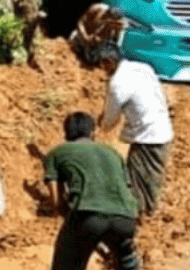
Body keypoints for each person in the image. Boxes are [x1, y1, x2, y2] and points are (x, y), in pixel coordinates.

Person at [43, 112, 141, 270]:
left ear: (66, 133)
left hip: (88, 215)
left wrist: (76, 224)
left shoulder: (57, 153)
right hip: (126, 218)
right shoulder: (113, 153)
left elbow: (57, 202)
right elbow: (127, 190)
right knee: (127, 261)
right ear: (92, 132)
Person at [97, 42, 173, 216]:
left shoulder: (117, 84)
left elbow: (110, 121)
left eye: (103, 65)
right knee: (152, 175)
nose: (103, 70)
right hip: (163, 127)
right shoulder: (143, 67)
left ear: (109, 62)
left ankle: (138, 214)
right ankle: (148, 210)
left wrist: (102, 123)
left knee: (137, 177)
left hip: (148, 136)